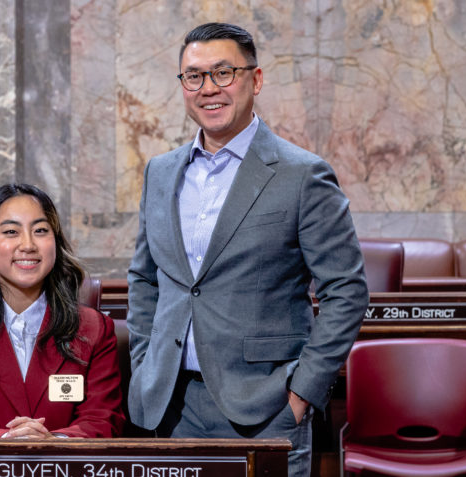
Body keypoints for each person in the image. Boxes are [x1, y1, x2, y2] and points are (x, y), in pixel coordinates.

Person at [126, 22, 368, 475]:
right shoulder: (160, 172)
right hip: (171, 407)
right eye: (193, 76)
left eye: (223, 73)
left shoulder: (303, 175)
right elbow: (144, 278)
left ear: (255, 80)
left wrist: (302, 393)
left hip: (266, 408)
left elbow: (347, 292)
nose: (208, 88)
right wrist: (145, 363)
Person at [0, 183, 125, 438]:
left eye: (40, 230)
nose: (28, 244)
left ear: (55, 244)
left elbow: (103, 421)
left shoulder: (94, 329)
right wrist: (9, 441)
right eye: (11, 231)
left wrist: (53, 442)